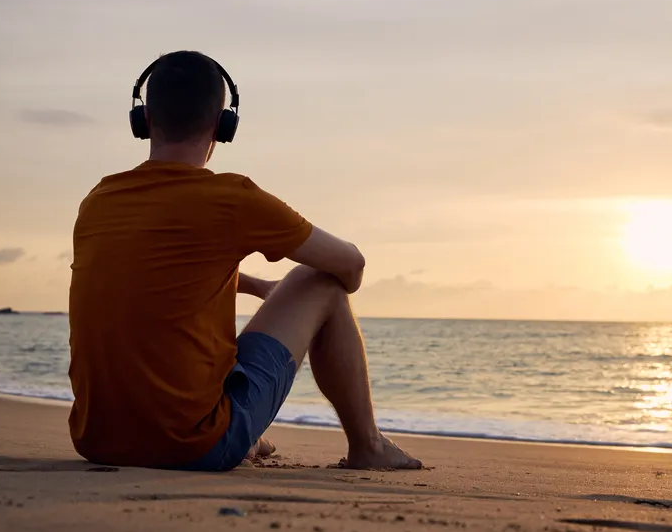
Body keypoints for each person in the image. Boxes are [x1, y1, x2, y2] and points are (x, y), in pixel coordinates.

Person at [67, 50, 421, 472]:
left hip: (98, 440)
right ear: (223, 124)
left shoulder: (99, 201)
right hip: (193, 446)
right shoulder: (231, 199)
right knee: (321, 281)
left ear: (143, 120)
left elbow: (162, 279)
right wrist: (304, 299)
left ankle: (243, 433)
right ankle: (369, 446)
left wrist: (259, 288)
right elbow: (351, 266)